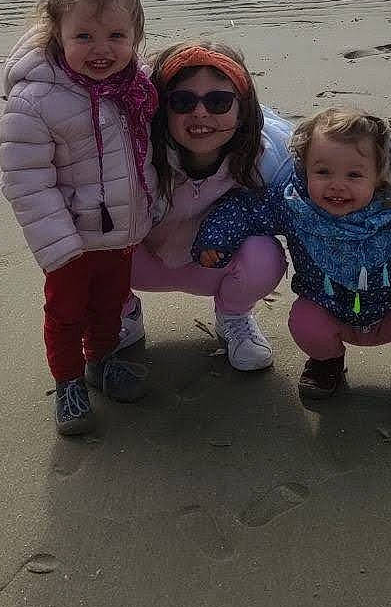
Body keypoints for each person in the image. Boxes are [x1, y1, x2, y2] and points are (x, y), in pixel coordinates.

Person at [194, 106, 391, 409]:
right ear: (305, 169)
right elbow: (247, 208)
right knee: (304, 320)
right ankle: (327, 364)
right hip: (327, 308)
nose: (337, 185)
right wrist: (217, 237)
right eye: (323, 172)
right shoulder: (295, 206)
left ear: (378, 175)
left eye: (354, 174)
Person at [0, 0, 157, 436]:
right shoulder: (35, 99)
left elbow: (145, 154)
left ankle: (102, 360)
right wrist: (59, 246)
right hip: (68, 237)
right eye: (83, 36)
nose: (101, 49)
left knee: (109, 304)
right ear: (57, 33)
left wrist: (152, 204)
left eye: (116, 36)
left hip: (120, 228)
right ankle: (68, 382)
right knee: (66, 312)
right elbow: (26, 180)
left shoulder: (137, 87)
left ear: (135, 36)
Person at [116, 42, 290, 371]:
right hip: (138, 261)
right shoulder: (131, 151)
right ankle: (121, 314)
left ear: (243, 110)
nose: (200, 113)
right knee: (81, 242)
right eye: (182, 101)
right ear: (160, 108)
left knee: (265, 255)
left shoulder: (270, 159)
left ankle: (233, 317)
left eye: (219, 101)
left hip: (213, 263)